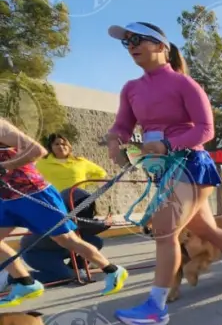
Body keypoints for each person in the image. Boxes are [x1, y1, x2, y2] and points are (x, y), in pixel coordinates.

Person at [104, 21, 222, 325]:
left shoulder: (184, 85)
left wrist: (166, 144)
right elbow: (123, 126)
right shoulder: (131, 89)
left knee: (165, 229)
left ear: (161, 46)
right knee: (206, 229)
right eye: (126, 42)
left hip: (192, 164)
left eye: (137, 39)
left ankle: (156, 306)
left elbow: (206, 130)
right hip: (162, 170)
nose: (131, 46)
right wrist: (115, 140)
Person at [0, 118, 127, 307]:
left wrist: (5, 167)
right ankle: (25, 283)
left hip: (35, 193)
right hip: (8, 198)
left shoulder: (2, 127)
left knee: (67, 240)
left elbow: (37, 151)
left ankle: (112, 270)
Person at [19, 188, 111, 284]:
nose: (86, 207)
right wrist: (101, 224)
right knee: (65, 277)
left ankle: (77, 269)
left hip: (59, 247)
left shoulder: (69, 214)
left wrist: (103, 224)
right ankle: (17, 276)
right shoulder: (54, 214)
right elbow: (78, 225)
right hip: (38, 253)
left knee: (94, 241)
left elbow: (82, 227)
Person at [36, 133, 108, 192]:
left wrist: (86, 183)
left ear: (69, 146)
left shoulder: (80, 161)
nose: (61, 146)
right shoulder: (42, 163)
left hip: (78, 201)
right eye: (56, 144)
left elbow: (101, 173)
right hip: (54, 203)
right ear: (51, 147)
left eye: (64, 144)